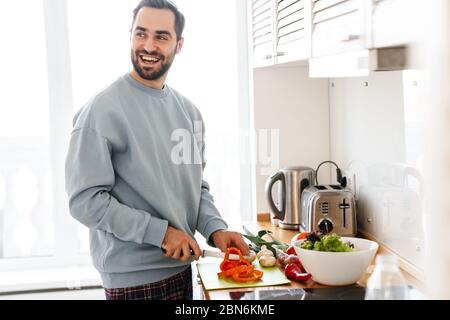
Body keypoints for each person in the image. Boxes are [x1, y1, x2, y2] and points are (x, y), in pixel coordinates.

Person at [65, 0, 249, 300]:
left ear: (179, 45)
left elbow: (195, 189)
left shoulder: (190, 113)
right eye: (141, 34)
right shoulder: (100, 111)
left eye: (161, 36)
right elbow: (85, 201)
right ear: (130, 36)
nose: (148, 45)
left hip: (182, 270)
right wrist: (162, 234)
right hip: (132, 282)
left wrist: (216, 230)